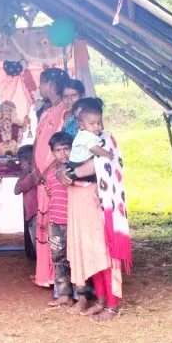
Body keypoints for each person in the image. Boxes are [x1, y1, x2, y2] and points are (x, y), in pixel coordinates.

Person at [58, 98, 131, 322]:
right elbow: (68, 161)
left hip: (98, 203)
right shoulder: (81, 140)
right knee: (90, 252)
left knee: (104, 253)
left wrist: (70, 173)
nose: (93, 126)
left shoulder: (106, 140)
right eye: (84, 120)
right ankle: (99, 300)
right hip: (79, 202)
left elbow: (102, 164)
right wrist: (64, 170)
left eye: (96, 121)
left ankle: (112, 304)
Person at [31, 68, 70, 288]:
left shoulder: (64, 111)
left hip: (53, 177)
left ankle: (57, 277)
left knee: (55, 225)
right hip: (41, 176)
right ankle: (45, 274)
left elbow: (61, 146)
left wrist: (46, 173)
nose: (39, 88)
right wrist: (35, 171)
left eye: (42, 83)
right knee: (44, 223)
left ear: (52, 83)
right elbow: (38, 141)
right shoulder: (47, 111)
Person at [43, 132, 78, 307]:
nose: (63, 154)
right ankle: (64, 294)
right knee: (58, 258)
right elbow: (51, 194)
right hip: (56, 223)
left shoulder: (76, 171)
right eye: (58, 150)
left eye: (66, 149)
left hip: (74, 222)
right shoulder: (50, 174)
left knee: (76, 258)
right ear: (53, 152)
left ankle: (82, 294)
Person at [68, 97, 114, 170]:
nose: (78, 123)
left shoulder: (105, 137)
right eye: (76, 119)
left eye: (81, 119)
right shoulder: (83, 135)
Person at [14, 145, 40, 261]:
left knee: (37, 242)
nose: (19, 164)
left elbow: (16, 190)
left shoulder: (30, 176)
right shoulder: (33, 174)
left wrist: (23, 173)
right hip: (34, 213)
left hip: (34, 214)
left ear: (28, 161)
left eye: (21, 161)